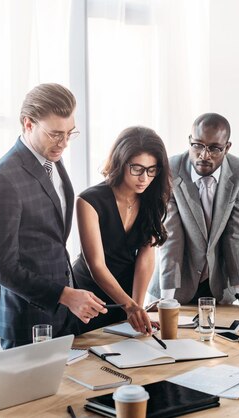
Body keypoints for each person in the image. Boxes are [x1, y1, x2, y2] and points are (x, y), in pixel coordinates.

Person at [0, 83, 107, 349]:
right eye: (55, 134)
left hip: (62, 316)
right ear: (28, 124)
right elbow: (2, 267)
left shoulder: (52, 158)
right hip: (26, 321)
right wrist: (65, 295)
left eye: (70, 133)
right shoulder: (3, 179)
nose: (64, 143)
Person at [148, 113, 239, 308]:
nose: (204, 155)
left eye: (214, 148)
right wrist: (167, 299)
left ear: (227, 148)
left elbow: (235, 233)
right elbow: (171, 236)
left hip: (217, 288)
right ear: (190, 141)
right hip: (175, 287)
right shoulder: (171, 169)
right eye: (197, 145)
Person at [73, 127, 171, 334]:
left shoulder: (151, 199)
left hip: (126, 298)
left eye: (152, 170)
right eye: (137, 168)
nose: (144, 177)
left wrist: (137, 308)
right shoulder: (88, 201)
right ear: (120, 161)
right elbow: (96, 266)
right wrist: (130, 307)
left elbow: (146, 259)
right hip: (89, 298)